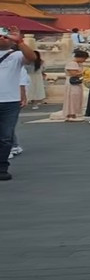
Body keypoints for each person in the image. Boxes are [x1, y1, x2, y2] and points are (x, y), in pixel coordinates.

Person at [0, 28, 36, 180]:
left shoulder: (16, 55)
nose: (3, 39)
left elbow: (32, 57)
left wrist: (19, 41)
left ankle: (2, 167)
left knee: (6, 137)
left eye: (5, 37)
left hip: (10, 102)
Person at [64, 49, 88, 121]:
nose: (84, 60)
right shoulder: (72, 63)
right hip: (72, 82)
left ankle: (74, 114)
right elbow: (73, 74)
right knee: (72, 98)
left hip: (77, 82)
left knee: (77, 98)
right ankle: (70, 114)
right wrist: (85, 72)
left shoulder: (79, 64)